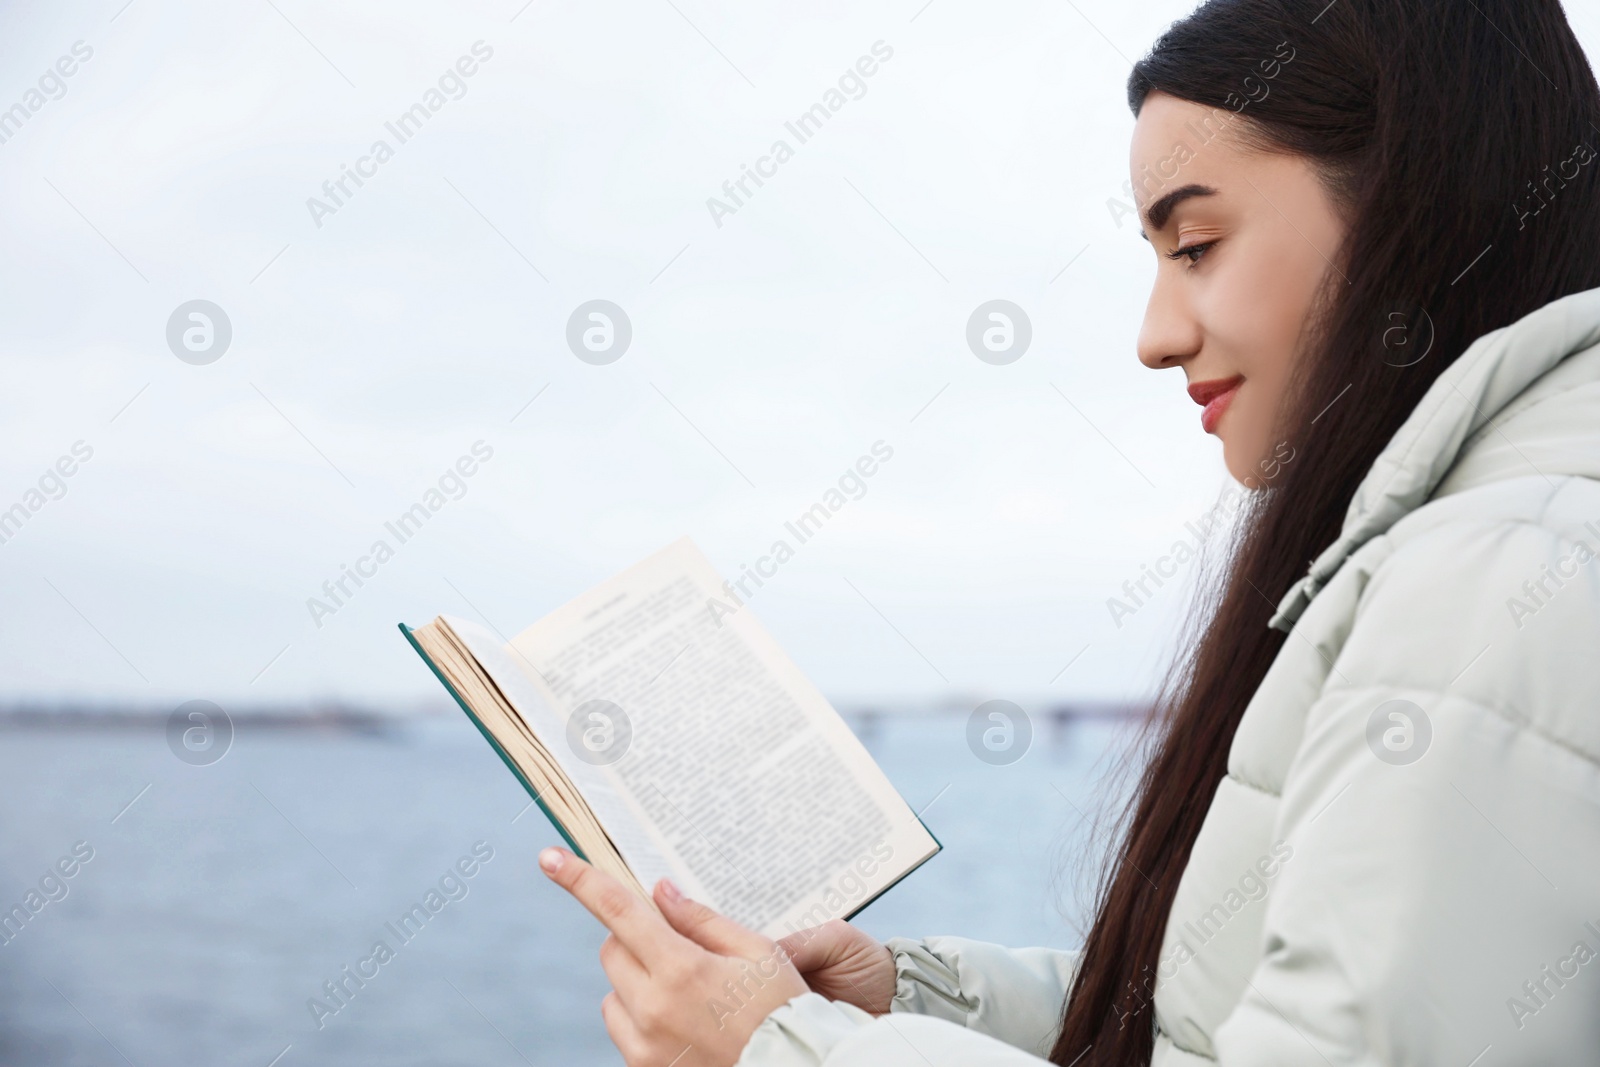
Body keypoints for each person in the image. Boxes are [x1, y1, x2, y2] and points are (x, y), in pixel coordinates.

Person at [539, 0, 1600, 1062]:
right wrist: (900, 1003)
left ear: (1416, 207)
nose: (1153, 336)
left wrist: (775, 1049)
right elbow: (1233, 1025)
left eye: (1194, 244)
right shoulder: (1498, 542)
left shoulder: (1492, 573)